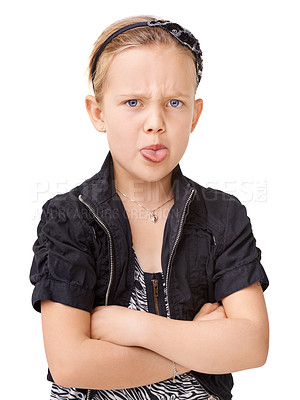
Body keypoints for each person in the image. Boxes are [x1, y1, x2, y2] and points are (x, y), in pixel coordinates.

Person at [30, 15, 269, 400]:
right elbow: (71, 363)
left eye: (175, 102)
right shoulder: (68, 218)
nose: (155, 123)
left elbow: (252, 345)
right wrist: (194, 349)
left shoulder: (223, 215)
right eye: (133, 102)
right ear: (98, 113)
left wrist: (134, 327)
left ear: (195, 114)